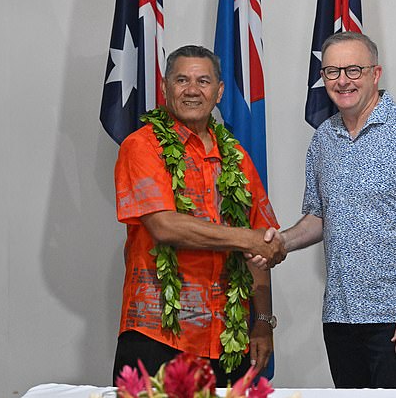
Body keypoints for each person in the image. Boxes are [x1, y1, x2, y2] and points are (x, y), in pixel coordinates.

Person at [259, 32, 396, 388]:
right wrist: (280, 242)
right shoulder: (323, 138)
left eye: (353, 69)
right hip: (339, 316)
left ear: (375, 73)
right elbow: (320, 217)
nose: (342, 80)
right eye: (332, 71)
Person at [112, 45, 284, 386]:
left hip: (226, 339)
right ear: (164, 88)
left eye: (203, 81)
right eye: (182, 80)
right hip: (157, 334)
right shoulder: (142, 146)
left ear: (219, 92)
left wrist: (262, 320)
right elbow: (164, 225)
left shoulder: (237, 157)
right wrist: (247, 238)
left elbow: (260, 247)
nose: (192, 90)